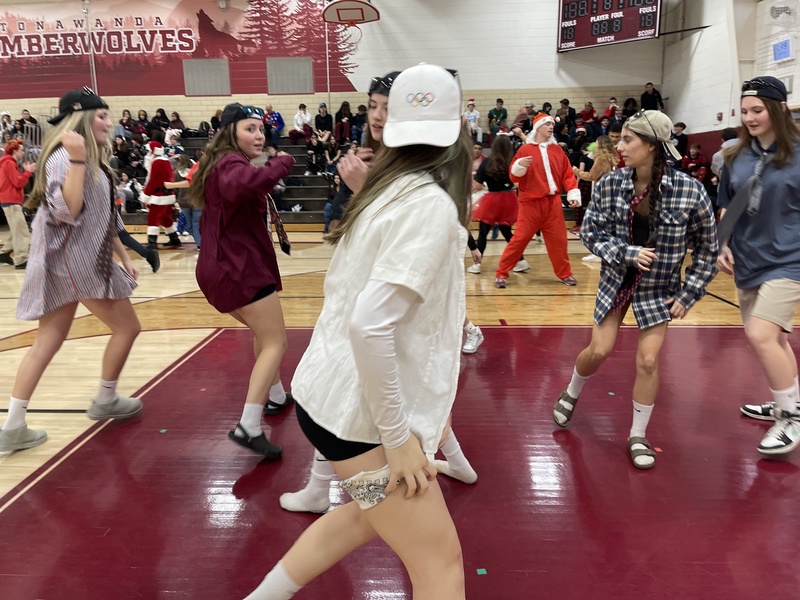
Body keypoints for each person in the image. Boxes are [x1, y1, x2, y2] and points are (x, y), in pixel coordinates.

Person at [244, 62, 470, 600]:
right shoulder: (425, 204)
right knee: (441, 563)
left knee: (367, 516)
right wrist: (398, 441)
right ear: (459, 123)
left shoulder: (386, 188)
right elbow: (370, 326)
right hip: (361, 421)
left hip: (332, 402)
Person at [552, 109, 718, 469]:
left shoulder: (691, 190)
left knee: (647, 360)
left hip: (659, 288)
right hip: (616, 280)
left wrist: (689, 294)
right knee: (599, 350)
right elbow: (592, 233)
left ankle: (637, 435)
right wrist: (627, 252)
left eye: (628, 139)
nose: (620, 146)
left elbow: (708, 248)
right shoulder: (611, 183)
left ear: (652, 145)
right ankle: (571, 391)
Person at [0, 88, 142, 452]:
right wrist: (78, 160)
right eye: (101, 116)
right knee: (128, 328)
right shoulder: (66, 159)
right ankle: (106, 399)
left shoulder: (89, 159)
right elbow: (70, 211)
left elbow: (103, 218)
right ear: (80, 118)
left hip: (65, 262)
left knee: (47, 341)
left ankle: (12, 426)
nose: (109, 123)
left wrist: (124, 257)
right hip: (77, 264)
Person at [189, 103, 294, 459]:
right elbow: (247, 184)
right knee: (276, 342)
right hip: (238, 268)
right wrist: (283, 162)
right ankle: (248, 425)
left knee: (263, 337)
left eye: (261, 129)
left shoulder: (219, 163)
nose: (259, 135)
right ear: (230, 132)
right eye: (250, 128)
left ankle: (276, 397)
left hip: (221, 267)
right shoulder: (231, 165)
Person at [716, 76, 800, 455]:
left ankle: (791, 419)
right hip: (749, 258)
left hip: (789, 260)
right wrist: (722, 245)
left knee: (762, 335)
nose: (749, 118)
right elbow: (726, 205)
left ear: (779, 109)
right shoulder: (734, 156)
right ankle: (788, 399)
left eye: (758, 110)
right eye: (745, 110)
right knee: (774, 339)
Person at [494, 112, 582, 288]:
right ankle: (501, 274)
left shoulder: (557, 150)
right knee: (520, 239)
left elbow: (567, 174)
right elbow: (513, 177)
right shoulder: (525, 150)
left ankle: (565, 273)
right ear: (538, 128)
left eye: (551, 124)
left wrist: (573, 192)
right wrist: (519, 167)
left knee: (559, 240)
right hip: (530, 204)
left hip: (553, 203)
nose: (551, 127)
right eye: (547, 124)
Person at [468, 135, 518, 273]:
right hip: (509, 198)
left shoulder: (487, 162)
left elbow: (477, 184)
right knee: (506, 231)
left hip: (493, 199)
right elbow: (516, 181)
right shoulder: (512, 163)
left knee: (483, 232)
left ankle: (477, 264)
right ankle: (521, 260)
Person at [0, 140, 35, 270]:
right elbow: (18, 182)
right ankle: (21, 259)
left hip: (8, 202)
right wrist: (28, 172)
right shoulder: (9, 163)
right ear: (14, 151)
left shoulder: (7, 163)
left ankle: (4, 254)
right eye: (21, 150)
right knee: (22, 232)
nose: (23, 152)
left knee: (16, 230)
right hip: (11, 202)